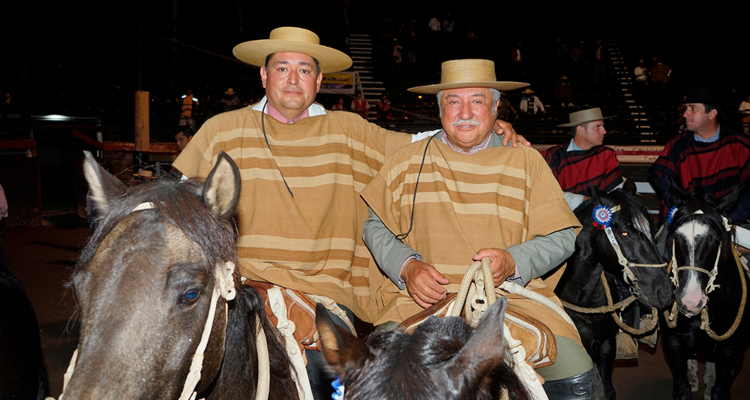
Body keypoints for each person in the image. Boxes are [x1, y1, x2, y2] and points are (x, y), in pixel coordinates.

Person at [172, 27, 527, 400]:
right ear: (264, 75)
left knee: (331, 384)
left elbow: (423, 144)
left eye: (305, 70)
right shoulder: (220, 129)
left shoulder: (348, 130)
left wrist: (491, 132)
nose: (293, 80)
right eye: (282, 68)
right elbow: (177, 206)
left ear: (319, 79)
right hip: (237, 288)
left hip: (321, 294)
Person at [361, 59, 602, 399]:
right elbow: (375, 225)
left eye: (477, 101)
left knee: (578, 372)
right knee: (374, 373)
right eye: (453, 101)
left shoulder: (526, 161)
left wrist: (513, 261)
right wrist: (407, 267)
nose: (465, 112)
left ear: (496, 107)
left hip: (512, 301)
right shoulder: (406, 160)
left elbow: (562, 236)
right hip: (418, 303)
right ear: (439, 107)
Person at [649, 88, 750, 225]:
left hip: (731, 221)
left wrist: (729, 219)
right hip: (685, 220)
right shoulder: (677, 145)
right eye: (686, 108)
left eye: (693, 108)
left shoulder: (740, 145)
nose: (685, 114)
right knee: (659, 246)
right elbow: (668, 189)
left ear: (712, 113)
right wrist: (686, 215)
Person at [543, 108, 622, 209]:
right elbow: (547, 192)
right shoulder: (554, 155)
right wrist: (582, 201)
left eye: (603, 126)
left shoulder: (607, 154)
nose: (604, 131)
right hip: (563, 218)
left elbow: (616, 192)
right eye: (598, 127)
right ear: (581, 130)